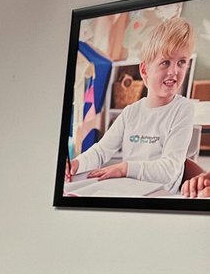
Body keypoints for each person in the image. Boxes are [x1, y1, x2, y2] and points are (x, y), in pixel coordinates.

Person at [66, 17, 195, 195]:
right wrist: (75, 164)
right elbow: (101, 151)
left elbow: (169, 170)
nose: (174, 71)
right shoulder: (131, 112)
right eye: (165, 62)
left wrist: (124, 168)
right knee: (72, 185)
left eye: (181, 62)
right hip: (129, 184)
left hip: (158, 191)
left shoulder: (183, 109)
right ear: (144, 70)